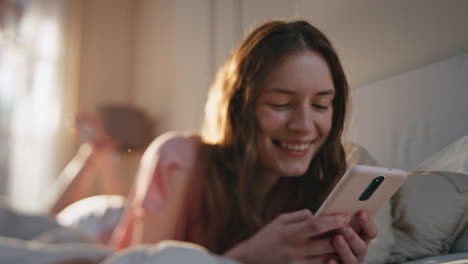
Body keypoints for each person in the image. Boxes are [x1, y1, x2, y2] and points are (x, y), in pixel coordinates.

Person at [107, 19, 378, 264]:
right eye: (281, 104)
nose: (304, 126)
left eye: (320, 105)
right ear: (240, 107)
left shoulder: (317, 184)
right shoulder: (177, 158)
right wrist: (246, 257)